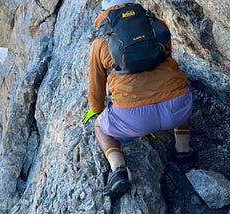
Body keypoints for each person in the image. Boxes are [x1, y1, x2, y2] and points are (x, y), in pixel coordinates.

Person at [82, 0, 194, 198]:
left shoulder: (100, 44)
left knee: (100, 127)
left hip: (133, 119)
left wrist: (97, 109)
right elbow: (168, 61)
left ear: (107, 14)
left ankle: (118, 171)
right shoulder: (157, 25)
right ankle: (183, 153)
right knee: (178, 89)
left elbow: (96, 88)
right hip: (178, 108)